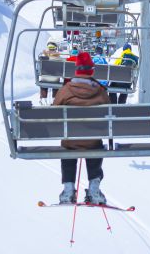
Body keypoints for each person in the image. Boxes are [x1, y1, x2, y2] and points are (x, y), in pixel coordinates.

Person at [54, 52, 110, 204]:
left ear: (76, 69)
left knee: (67, 148)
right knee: (95, 145)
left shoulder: (65, 90)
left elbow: (54, 112)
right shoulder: (100, 90)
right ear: (91, 70)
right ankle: (94, 190)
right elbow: (109, 116)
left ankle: (68, 191)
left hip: (70, 140)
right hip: (92, 141)